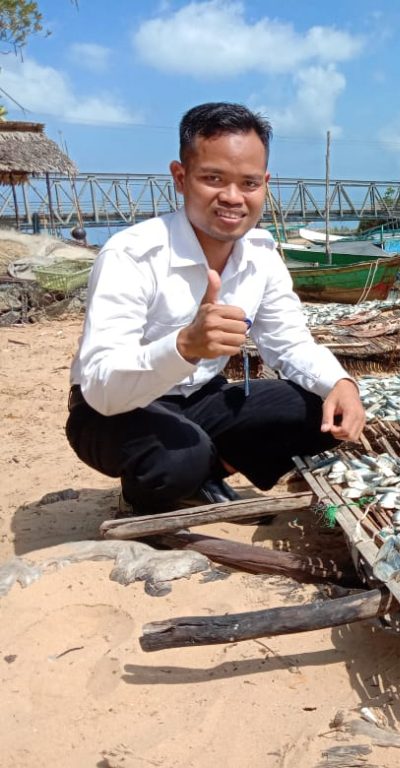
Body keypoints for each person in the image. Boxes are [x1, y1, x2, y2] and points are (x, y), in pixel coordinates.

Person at [65, 102, 365, 517]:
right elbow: (101, 388)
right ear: (180, 178)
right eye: (213, 179)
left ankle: (204, 471)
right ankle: (154, 488)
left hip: (202, 398)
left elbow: (290, 343)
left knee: (322, 410)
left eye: (249, 183)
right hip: (114, 410)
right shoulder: (131, 255)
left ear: (266, 184)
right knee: (177, 459)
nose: (232, 197)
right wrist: (184, 346)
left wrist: (341, 382)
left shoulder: (261, 255)